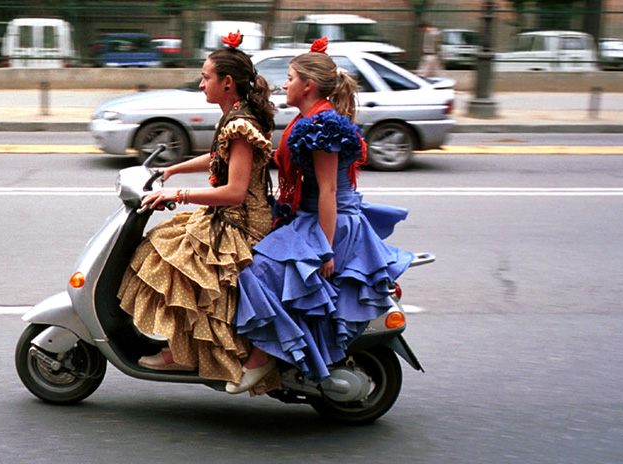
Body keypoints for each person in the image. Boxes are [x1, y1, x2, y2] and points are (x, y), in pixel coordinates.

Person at [232, 37, 415, 390]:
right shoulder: (309, 118)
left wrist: (325, 249)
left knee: (253, 272)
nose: (284, 84)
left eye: (289, 77)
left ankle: (263, 356)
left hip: (328, 224)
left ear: (308, 85)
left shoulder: (322, 125)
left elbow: (329, 190)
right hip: (309, 216)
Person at [117, 31, 278, 394]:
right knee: (158, 247)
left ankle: (182, 352)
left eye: (206, 77)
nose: (201, 83)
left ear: (227, 83)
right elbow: (218, 159)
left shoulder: (240, 125)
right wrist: (174, 169)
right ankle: (181, 347)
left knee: (172, 263)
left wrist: (180, 193)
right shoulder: (233, 116)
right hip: (225, 217)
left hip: (241, 224)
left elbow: (234, 191)